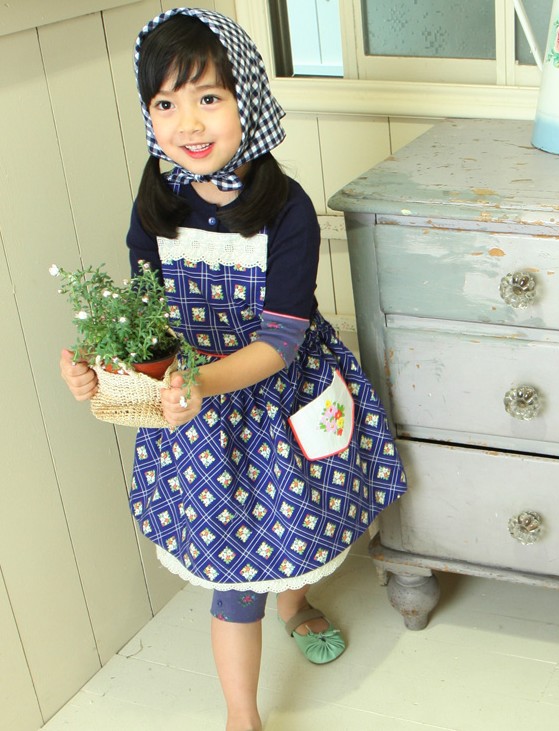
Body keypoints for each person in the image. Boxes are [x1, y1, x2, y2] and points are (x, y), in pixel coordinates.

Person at [60, 8, 407, 731]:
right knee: (236, 571)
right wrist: (104, 367)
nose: (187, 122)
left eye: (209, 97)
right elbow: (146, 319)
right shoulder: (156, 205)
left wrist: (201, 382)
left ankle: (296, 602)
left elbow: (279, 340)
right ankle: (242, 715)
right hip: (196, 416)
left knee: (295, 523)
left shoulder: (287, 210)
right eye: (165, 103)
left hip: (276, 395)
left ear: (247, 99)